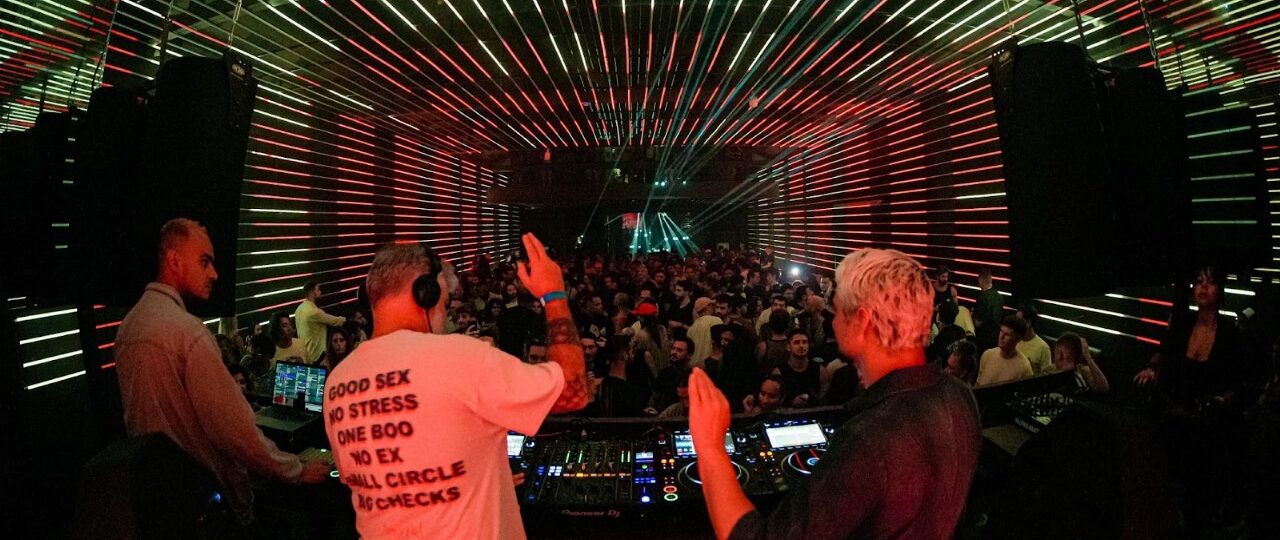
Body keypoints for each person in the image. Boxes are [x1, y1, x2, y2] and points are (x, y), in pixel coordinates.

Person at [688, 247, 981, 540]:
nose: (833, 320)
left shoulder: (867, 440)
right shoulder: (960, 394)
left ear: (862, 322)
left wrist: (711, 448)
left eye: (837, 310)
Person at [323, 233, 589, 539]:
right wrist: (554, 296)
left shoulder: (337, 383)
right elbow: (573, 391)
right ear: (425, 293)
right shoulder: (461, 356)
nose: (445, 311)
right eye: (445, 301)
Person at [114, 218, 330, 526]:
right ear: (174, 261)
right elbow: (235, 430)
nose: (214, 274)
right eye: (204, 262)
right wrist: (296, 470)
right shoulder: (188, 333)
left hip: (160, 503)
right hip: (208, 505)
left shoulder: (129, 328)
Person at [295, 280, 347, 364]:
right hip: (317, 356)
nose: (320, 292)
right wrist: (347, 319)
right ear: (312, 292)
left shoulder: (299, 310)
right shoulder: (313, 312)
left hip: (305, 354)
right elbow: (336, 321)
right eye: (318, 290)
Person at [976, 315, 1034, 387]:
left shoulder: (1024, 368)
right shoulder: (987, 355)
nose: (1001, 337)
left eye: (1007, 334)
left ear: (1018, 339)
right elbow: (978, 384)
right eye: (1001, 331)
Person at [770, 329, 821, 408]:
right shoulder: (778, 372)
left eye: (804, 342)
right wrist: (791, 401)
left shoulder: (820, 370)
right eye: (796, 342)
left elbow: (824, 397)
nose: (801, 346)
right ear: (788, 347)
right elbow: (774, 398)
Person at [1015, 303, 1054, 375]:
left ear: (1028, 322)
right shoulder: (1014, 340)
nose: (1016, 324)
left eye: (1019, 321)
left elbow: (1047, 375)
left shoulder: (1043, 348)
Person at [973, 268, 1004, 351]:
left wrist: (972, 315)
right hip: (996, 337)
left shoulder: (982, 298)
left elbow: (978, 323)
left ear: (980, 279)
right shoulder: (999, 296)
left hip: (984, 340)